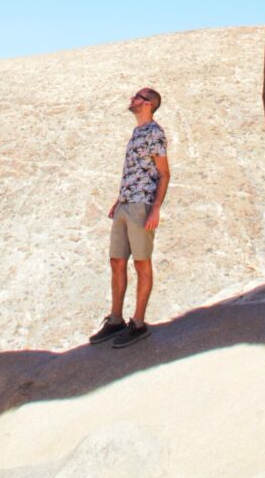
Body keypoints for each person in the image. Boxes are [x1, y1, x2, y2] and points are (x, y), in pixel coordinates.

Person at [89, 87, 170, 348]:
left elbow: (164, 173)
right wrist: (119, 199)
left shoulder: (155, 133)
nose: (132, 99)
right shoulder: (137, 132)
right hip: (125, 204)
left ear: (149, 104)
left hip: (142, 206)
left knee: (141, 263)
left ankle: (138, 323)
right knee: (116, 261)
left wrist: (156, 208)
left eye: (138, 97)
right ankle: (115, 320)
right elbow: (135, 170)